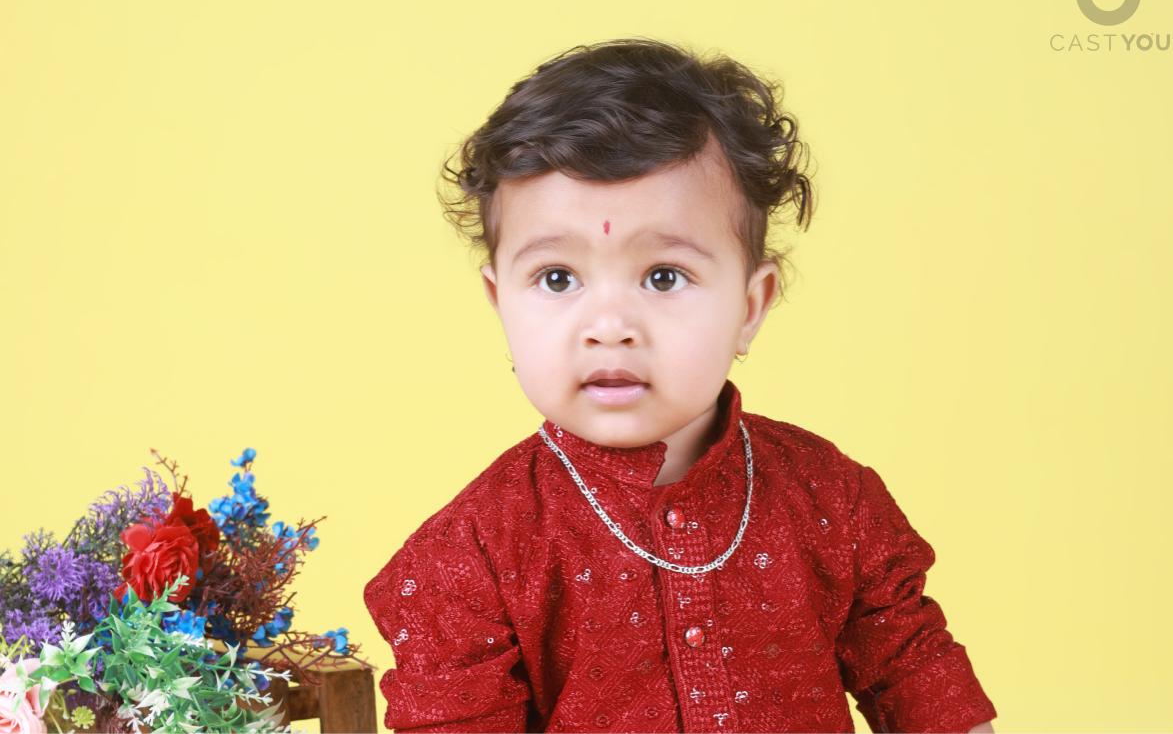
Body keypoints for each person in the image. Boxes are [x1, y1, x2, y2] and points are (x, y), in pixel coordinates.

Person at [363, 37, 997, 733]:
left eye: (663, 276)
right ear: (500, 302)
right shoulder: (471, 553)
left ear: (749, 307)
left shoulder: (831, 500)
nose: (609, 326)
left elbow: (920, 678)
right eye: (557, 278)